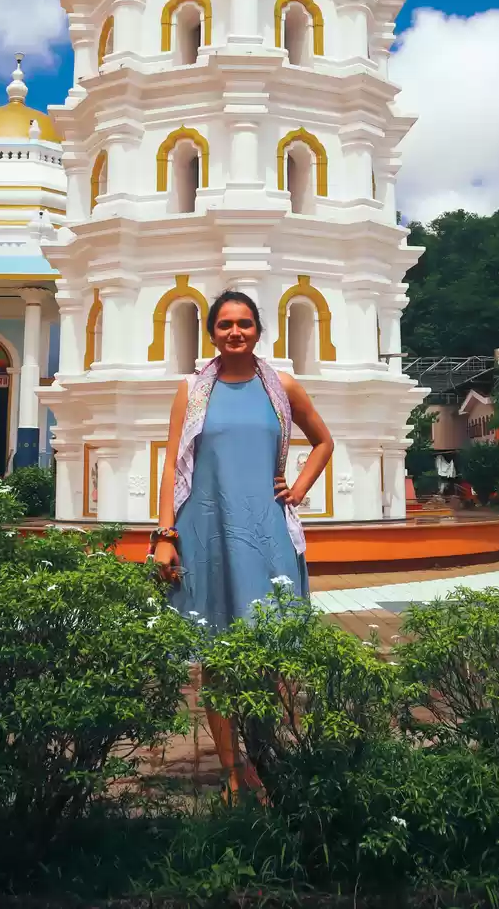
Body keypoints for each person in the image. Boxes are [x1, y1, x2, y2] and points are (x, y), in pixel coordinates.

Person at [153, 290, 334, 797]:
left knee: (270, 654)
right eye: (225, 324)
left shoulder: (281, 386)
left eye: (245, 324)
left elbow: (324, 440)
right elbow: (173, 465)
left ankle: (262, 755)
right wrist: (165, 535)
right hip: (205, 531)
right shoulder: (192, 390)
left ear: (259, 331)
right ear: (211, 332)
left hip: (266, 533)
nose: (235, 332)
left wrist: (299, 488)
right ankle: (234, 773)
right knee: (216, 658)